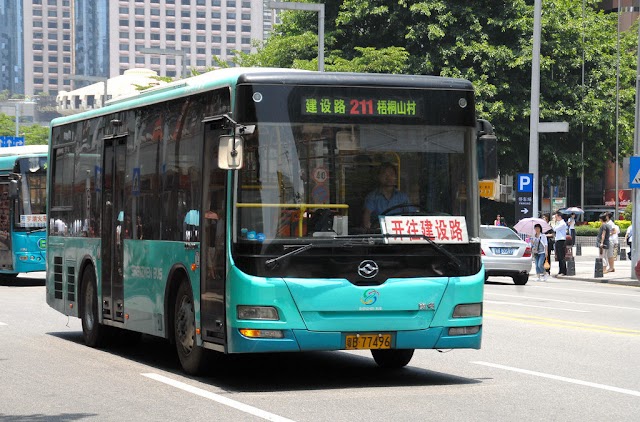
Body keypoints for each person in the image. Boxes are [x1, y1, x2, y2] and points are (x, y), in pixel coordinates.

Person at [362, 163, 410, 229]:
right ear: (378, 176)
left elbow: (411, 217)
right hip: (379, 235)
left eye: (391, 174)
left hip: (399, 234)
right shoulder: (372, 197)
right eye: (384, 174)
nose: (388, 177)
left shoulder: (402, 197)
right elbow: (366, 222)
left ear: (396, 177)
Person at [552, 211, 567, 276]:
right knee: (558, 256)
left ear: (559, 216)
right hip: (558, 240)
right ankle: (560, 271)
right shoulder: (559, 223)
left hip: (561, 240)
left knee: (561, 256)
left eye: (556, 217)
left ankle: (563, 271)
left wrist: (553, 222)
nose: (555, 218)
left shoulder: (562, 223)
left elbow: (555, 229)